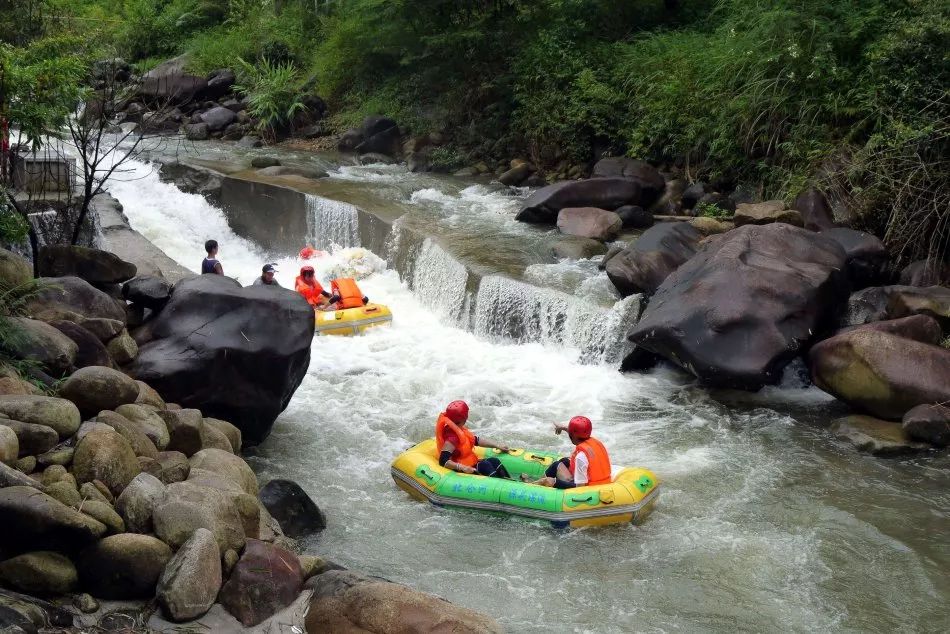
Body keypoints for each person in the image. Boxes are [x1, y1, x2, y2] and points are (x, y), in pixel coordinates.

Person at [524, 416, 611, 489]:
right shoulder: (594, 442)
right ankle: (537, 481)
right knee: (564, 461)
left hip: (588, 489)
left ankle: (531, 487)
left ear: (572, 436)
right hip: (602, 482)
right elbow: (577, 434)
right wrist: (563, 427)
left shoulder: (581, 457)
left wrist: (554, 482)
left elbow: (580, 488)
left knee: (549, 479)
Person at [436, 400, 512, 478]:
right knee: (485, 465)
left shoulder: (458, 428)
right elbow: (443, 460)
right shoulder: (452, 438)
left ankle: (509, 481)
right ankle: (500, 486)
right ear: (465, 417)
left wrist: (497, 445)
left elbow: (476, 440)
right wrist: (463, 468)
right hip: (461, 469)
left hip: (470, 463)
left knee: (494, 461)